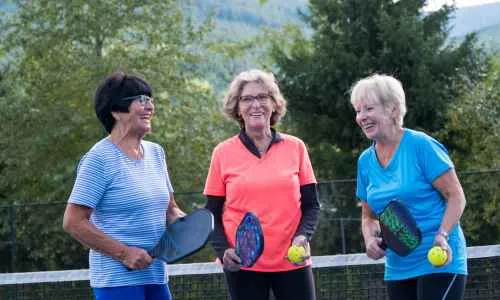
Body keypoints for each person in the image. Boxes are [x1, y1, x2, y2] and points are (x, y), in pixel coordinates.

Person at [63, 71, 185, 300]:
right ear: (116, 111)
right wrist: (124, 253)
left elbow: (170, 209)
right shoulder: (98, 159)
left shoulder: (156, 153)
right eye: (141, 100)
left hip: (156, 276)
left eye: (150, 100)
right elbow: (73, 222)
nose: (150, 106)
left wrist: (185, 224)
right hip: (116, 282)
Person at [203, 69, 320, 300]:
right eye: (247, 99)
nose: (255, 104)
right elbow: (211, 214)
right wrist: (224, 250)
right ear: (237, 108)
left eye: (262, 97)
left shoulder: (296, 147)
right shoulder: (222, 153)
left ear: (274, 104)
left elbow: (312, 206)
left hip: (291, 261)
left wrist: (302, 237)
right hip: (243, 265)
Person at [350, 74, 467, 300]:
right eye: (358, 111)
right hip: (398, 268)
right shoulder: (365, 162)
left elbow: (456, 196)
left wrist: (442, 235)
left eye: (369, 109)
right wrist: (369, 239)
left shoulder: (421, 145)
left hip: (439, 260)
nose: (361, 117)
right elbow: (369, 216)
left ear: (392, 109)